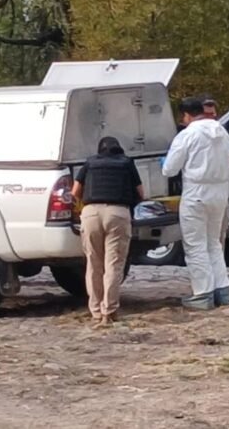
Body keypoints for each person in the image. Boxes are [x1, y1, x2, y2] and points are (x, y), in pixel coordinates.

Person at [163, 98, 229, 310]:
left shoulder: (187, 134)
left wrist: (165, 163)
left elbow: (169, 169)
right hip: (220, 192)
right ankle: (222, 289)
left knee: (195, 245)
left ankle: (202, 292)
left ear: (186, 115)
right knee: (213, 243)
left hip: (196, 191)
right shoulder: (222, 132)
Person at [71, 137, 144, 327]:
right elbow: (141, 193)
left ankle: (95, 310)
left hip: (91, 213)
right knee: (113, 264)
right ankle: (109, 311)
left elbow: (75, 191)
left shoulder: (90, 162)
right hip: (118, 213)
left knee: (93, 264)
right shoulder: (127, 163)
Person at [201, 97, 229, 250]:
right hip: (198, 190)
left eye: (213, 114)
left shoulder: (222, 133)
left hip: (220, 190)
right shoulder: (188, 134)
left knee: (218, 235)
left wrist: (225, 156)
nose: (212, 118)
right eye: (207, 115)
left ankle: (218, 268)